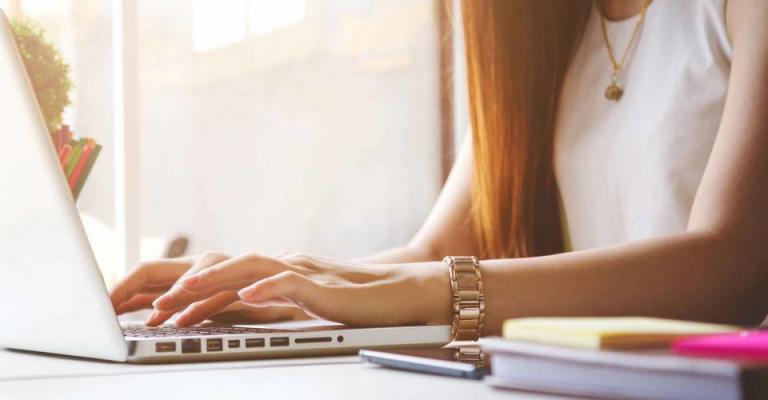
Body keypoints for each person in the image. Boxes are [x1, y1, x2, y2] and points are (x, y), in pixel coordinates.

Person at [109, 0, 768, 341]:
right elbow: (434, 251)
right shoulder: (544, 34)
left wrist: (410, 291)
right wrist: (273, 292)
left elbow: (729, 266)